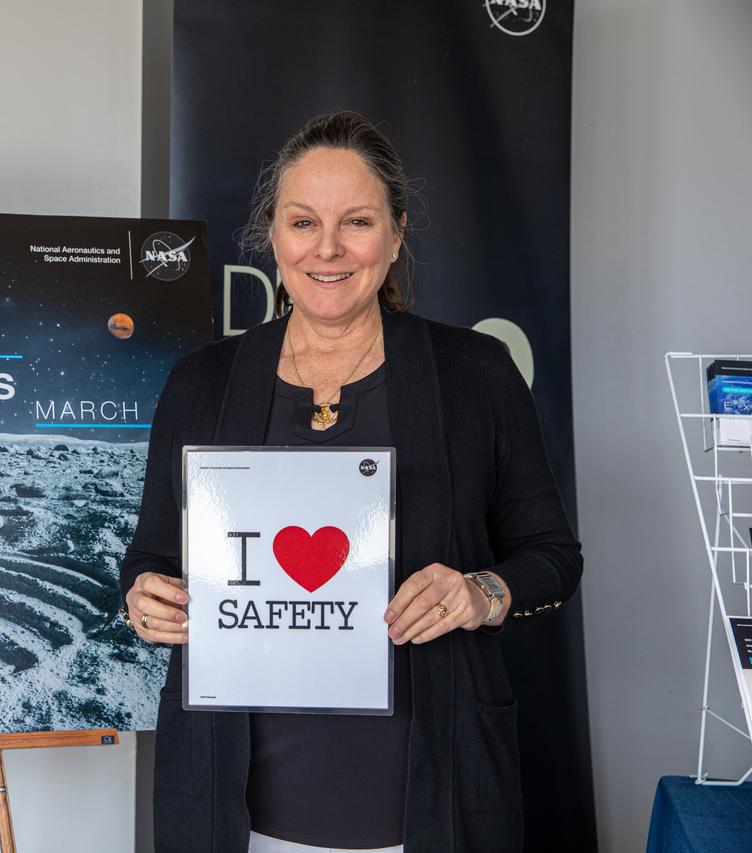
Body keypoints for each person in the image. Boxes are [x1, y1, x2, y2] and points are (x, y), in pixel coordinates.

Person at [118, 111, 582, 853]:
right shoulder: (201, 382)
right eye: (304, 222)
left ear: (395, 235)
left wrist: (480, 592)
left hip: (433, 803)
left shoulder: (476, 374)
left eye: (357, 222)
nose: (327, 248)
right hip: (232, 807)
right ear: (273, 236)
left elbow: (552, 556)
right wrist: (145, 596)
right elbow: (151, 555)